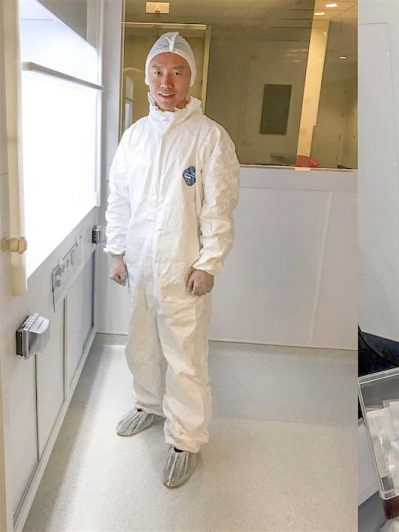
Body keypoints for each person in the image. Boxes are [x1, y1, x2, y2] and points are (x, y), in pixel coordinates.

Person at [105, 32, 240, 488]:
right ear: (146, 78)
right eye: (158, 71)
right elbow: (119, 200)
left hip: (183, 270)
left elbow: (219, 208)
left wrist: (209, 264)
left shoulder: (209, 138)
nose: (167, 81)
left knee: (185, 357)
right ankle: (147, 403)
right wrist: (117, 252)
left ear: (190, 79)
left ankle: (185, 438)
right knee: (139, 343)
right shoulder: (135, 137)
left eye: (177, 72)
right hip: (140, 266)